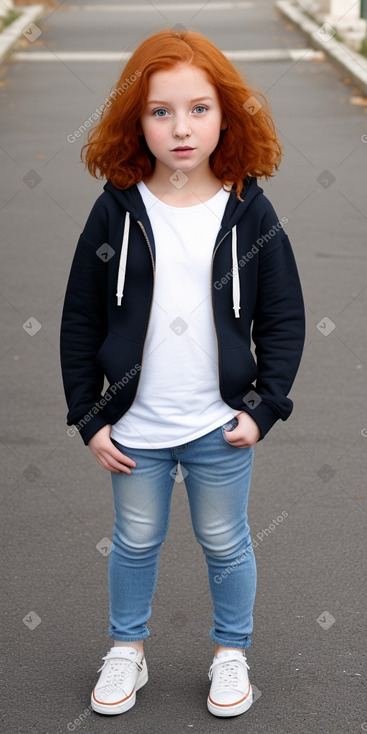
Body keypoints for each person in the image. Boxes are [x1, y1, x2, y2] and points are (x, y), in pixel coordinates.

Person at [60, 28, 305, 719]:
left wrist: (262, 407)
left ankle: (231, 655)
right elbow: (80, 317)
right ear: (135, 121)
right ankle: (127, 650)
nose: (180, 127)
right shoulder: (116, 208)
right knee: (135, 541)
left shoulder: (247, 209)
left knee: (226, 542)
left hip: (216, 424)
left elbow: (284, 318)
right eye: (160, 111)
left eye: (198, 108)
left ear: (226, 113)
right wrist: (88, 415)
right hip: (133, 427)